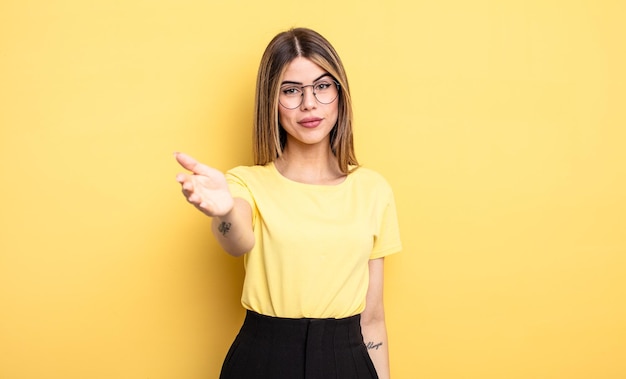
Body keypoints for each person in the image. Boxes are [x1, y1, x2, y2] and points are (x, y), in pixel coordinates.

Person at [175, 27, 402, 379]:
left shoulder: (373, 189)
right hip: (263, 359)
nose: (309, 103)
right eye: (291, 90)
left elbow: (372, 319)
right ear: (271, 102)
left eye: (322, 86)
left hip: (347, 360)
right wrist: (222, 213)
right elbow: (237, 241)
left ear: (340, 94)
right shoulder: (245, 182)